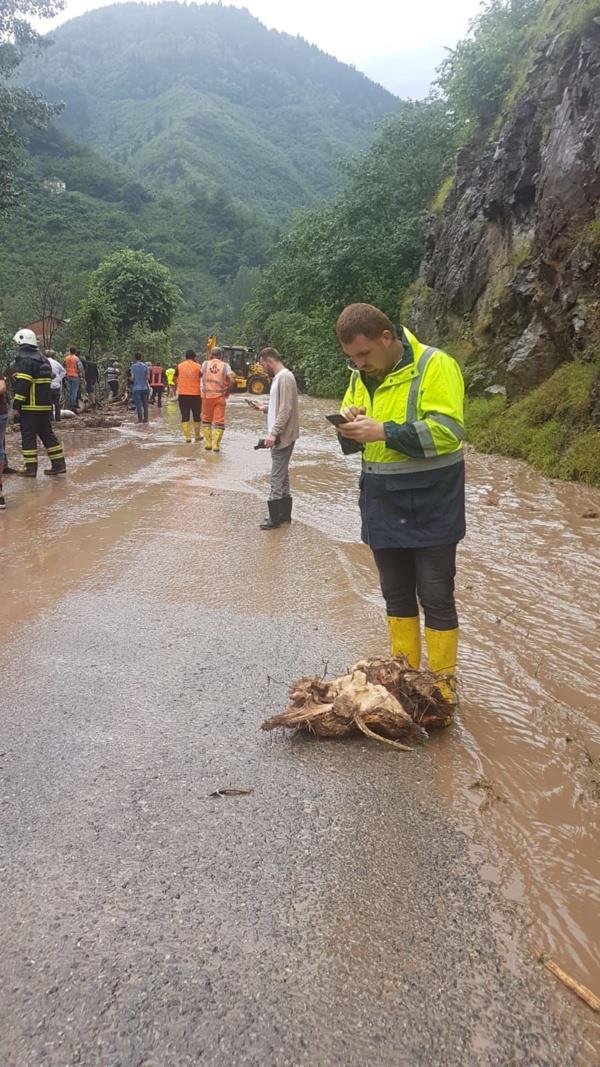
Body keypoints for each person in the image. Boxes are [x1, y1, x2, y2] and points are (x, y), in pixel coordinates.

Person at [335, 303, 465, 703]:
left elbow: (449, 431)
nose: (359, 364)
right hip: (382, 503)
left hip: (432, 501)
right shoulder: (361, 378)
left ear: (386, 338)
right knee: (395, 594)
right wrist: (349, 423)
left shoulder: (435, 365)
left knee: (436, 594)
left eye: (364, 354)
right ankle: (406, 680)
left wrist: (384, 431)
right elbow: (353, 443)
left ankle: (442, 690)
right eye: (352, 358)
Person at [250, 348, 299, 530]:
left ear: (268, 360)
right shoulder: (281, 377)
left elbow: (286, 409)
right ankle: (284, 515)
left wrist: (273, 433)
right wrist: (265, 407)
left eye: (263, 365)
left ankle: (274, 519)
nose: (263, 369)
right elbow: (280, 405)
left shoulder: (284, 377)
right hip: (283, 434)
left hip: (282, 435)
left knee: (276, 476)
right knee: (283, 474)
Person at [11, 328, 67, 477]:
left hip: (30, 407)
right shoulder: (43, 359)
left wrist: (16, 406)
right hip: (44, 406)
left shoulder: (26, 361)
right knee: (47, 435)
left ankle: (30, 469)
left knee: (28, 438)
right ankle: (59, 465)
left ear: (21, 342)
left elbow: (23, 386)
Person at [200, 346, 236, 452]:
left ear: (211, 354)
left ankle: (208, 443)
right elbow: (232, 380)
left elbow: (200, 375)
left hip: (206, 397)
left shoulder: (205, 364)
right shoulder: (225, 366)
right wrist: (228, 391)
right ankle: (216, 445)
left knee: (206, 420)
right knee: (219, 422)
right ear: (221, 356)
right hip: (220, 397)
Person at [174, 350, 202, 442]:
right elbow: (202, 377)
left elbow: (175, 378)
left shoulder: (179, 366)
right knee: (197, 415)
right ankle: (197, 435)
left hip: (183, 394)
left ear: (185, 357)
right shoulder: (198, 366)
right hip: (196, 394)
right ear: (194, 357)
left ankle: (187, 437)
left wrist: (179, 384)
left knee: (185, 415)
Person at [128, 353, 150, 422]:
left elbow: (132, 378)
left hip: (136, 388)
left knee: (138, 404)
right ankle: (146, 419)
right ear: (141, 358)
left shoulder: (133, 366)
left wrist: (130, 379)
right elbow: (148, 378)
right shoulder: (145, 366)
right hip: (145, 388)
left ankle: (140, 419)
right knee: (145, 404)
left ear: (135, 358)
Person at [45, 351, 66, 421]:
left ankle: (50, 418)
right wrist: (59, 378)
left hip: (48, 385)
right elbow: (63, 371)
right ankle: (58, 417)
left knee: (49, 402)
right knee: (57, 403)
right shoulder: (56, 362)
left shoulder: (43, 362)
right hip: (56, 385)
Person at [64, 346, 81, 412]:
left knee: (69, 391)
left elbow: (64, 366)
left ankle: (68, 405)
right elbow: (79, 368)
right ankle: (72, 405)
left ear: (70, 351)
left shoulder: (66, 358)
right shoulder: (76, 358)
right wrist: (81, 375)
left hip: (68, 376)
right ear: (75, 351)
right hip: (75, 376)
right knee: (74, 391)